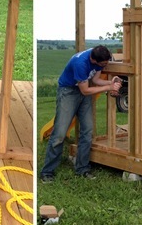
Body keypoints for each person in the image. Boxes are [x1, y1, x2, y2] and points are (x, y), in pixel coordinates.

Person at [40, 45, 121, 182]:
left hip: (84, 92)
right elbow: (85, 90)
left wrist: (110, 82)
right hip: (68, 92)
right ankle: (47, 171)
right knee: (59, 133)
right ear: (94, 60)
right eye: (104, 64)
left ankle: (82, 168)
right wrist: (108, 87)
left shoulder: (99, 57)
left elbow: (95, 80)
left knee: (87, 131)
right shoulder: (80, 63)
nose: (106, 65)